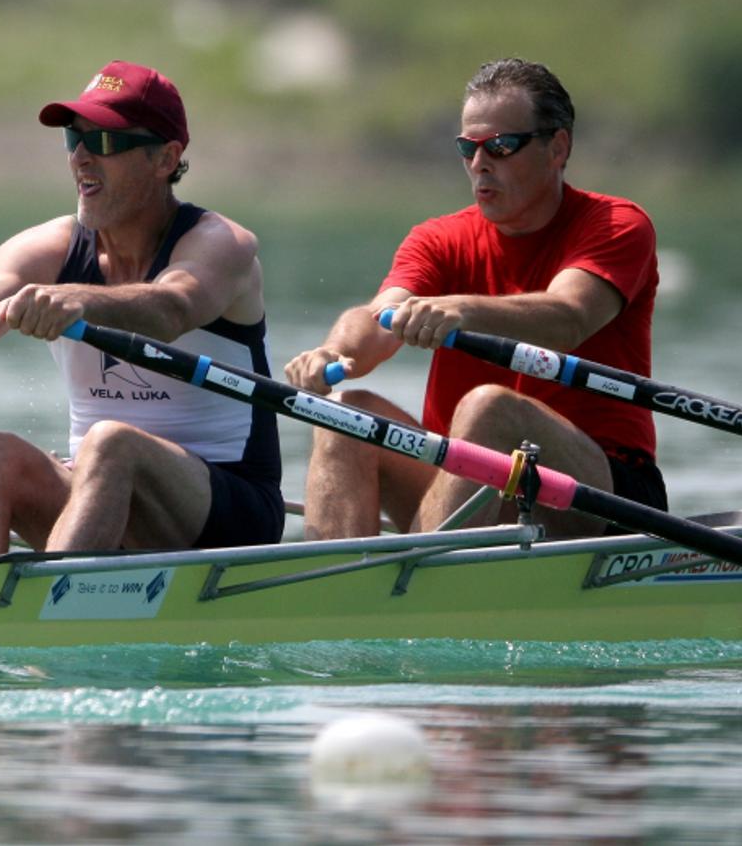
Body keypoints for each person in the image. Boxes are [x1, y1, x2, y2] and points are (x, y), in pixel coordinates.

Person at [0, 60, 282, 569]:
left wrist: (79, 300)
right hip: (100, 496)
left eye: (107, 142)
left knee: (111, 442)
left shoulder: (220, 244)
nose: (83, 158)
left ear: (165, 159)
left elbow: (172, 307)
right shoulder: (47, 248)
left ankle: (46, 612)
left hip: (227, 514)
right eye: (75, 139)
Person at [284, 57, 665, 540]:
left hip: (605, 493)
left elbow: (568, 316)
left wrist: (461, 309)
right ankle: (334, 591)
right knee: (346, 412)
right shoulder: (438, 238)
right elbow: (380, 316)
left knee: (488, 410)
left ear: (558, 148)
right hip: (470, 488)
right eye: (468, 147)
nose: (480, 163)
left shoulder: (616, 225)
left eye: (502, 146)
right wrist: (335, 353)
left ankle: (411, 580)